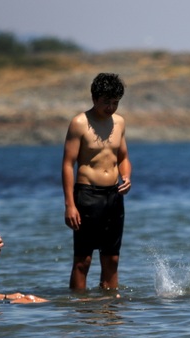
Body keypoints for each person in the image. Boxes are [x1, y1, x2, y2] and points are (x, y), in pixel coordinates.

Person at [62, 73, 132, 291]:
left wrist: (126, 176)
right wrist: (70, 205)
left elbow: (123, 158)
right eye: (106, 102)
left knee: (111, 260)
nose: (111, 107)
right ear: (94, 99)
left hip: (113, 196)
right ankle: (80, 309)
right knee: (83, 261)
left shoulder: (119, 122)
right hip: (87, 196)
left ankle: (109, 309)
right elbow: (67, 164)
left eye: (115, 102)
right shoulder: (79, 123)